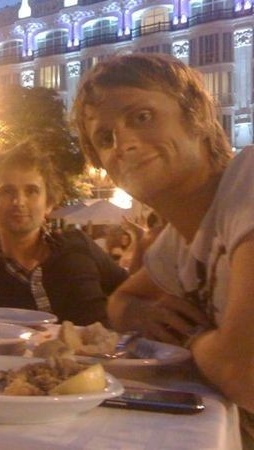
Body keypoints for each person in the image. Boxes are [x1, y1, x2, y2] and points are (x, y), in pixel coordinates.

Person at [72, 52, 254, 444]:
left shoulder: (248, 181)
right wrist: (143, 313)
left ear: (196, 117)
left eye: (142, 117)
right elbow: (121, 302)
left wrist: (192, 338)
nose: (123, 144)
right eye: (105, 138)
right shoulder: (178, 240)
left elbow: (245, 373)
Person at [0, 141, 128, 326]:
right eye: (7, 191)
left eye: (31, 191)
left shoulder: (79, 246)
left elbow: (132, 294)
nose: (19, 201)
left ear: (48, 203)